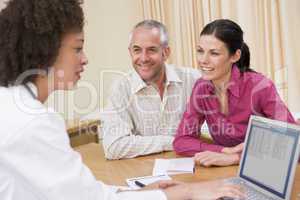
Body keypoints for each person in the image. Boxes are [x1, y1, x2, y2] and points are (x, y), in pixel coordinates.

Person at [0, 1, 245, 199]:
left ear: (166, 52)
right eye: (77, 48)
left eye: (152, 50)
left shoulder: (15, 108)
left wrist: (139, 192)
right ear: (47, 49)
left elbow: (85, 194)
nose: (85, 59)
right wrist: (187, 191)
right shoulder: (33, 123)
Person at [173, 19, 295, 167]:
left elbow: (291, 138)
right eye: (200, 51)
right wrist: (223, 151)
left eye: (214, 53)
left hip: (265, 167)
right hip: (225, 172)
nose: (203, 60)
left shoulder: (260, 86)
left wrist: (237, 158)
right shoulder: (201, 87)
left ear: (235, 56)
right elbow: (181, 141)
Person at [101, 20, 201, 160]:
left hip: (193, 168)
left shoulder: (193, 79)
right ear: (130, 52)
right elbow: (114, 146)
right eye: (137, 50)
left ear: (166, 52)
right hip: (143, 171)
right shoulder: (121, 87)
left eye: (151, 50)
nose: (143, 58)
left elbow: (215, 129)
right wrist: (175, 142)